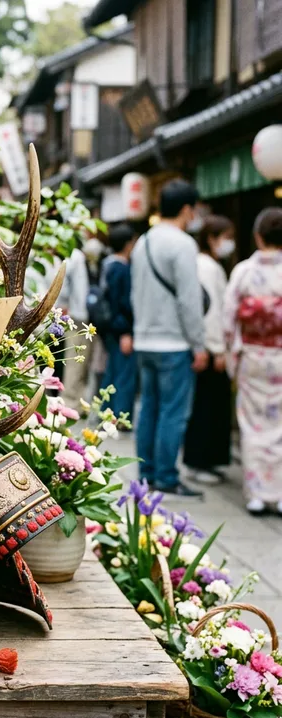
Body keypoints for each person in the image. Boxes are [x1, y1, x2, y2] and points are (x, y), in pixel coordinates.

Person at [131, 179, 207, 497]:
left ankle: (146, 473)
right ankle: (166, 476)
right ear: (187, 209)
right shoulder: (183, 244)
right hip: (174, 342)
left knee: (148, 407)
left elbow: (135, 294)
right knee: (172, 412)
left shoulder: (142, 242)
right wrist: (199, 344)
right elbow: (189, 300)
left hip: (144, 339)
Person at [223, 207, 282, 515]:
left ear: (258, 236)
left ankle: (257, 493)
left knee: (252, 424)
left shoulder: (244, 272)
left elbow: (228, 318)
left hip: (253, 356)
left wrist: (232, 356)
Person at [183, 215, 235, 484]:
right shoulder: (208, 267)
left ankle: (204, 461)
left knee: (206, 405)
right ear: (212, 238)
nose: (230, 243)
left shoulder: (205, 264)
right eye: (226, 237)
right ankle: (200, 462)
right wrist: (217, 349)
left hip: (206, 345)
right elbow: (212, 312)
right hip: (210, 347)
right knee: (207, 407)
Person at [100, 223, 138, 420]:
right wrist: (126, 331)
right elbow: (122, 302)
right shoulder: (121, 269)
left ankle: (106, 412)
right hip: (121, 329)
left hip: (110, 328)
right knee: (123, 374)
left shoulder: (107, 265)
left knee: (113, 371)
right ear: (127, 244)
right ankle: (119, 416)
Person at [58, 246, 91, 407]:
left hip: (66, 314)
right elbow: (79, 290)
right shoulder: (74, 255)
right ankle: (69, 404)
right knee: (74, 363)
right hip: (75, 316)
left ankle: (72, 403)